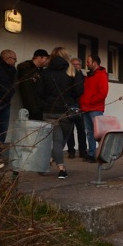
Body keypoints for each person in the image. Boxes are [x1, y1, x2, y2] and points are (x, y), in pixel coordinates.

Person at [37, 47, 83, 179]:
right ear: (66, 56)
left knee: (58, 140)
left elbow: (39, 92)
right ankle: (61, 168)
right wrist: (70, 98)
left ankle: (50, 160)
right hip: (66, 111)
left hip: (49, 111)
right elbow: (79, 91)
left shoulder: (45, 73)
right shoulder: (72, 71)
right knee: (61, 140)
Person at [79, 55, 109, 163]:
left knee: (99, 133)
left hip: (95, 108)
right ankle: (91, 154)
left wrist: (90, 101)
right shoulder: (89, 76)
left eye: (88, 62)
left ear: (95, 63)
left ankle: (103, 154)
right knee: (90, 132)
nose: (86, 64)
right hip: (86, 107)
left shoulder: (101, 75)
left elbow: (103, 93)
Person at [17, 49, 50, 120]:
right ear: (39, 57)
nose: (47, 61)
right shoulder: (26, 69)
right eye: (46, 58)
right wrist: (33, 108)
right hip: (33, 107)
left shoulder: (40, 70)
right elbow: (27, 90)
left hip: (41, 105)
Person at [66, 58, 87, 159]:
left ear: (80, 66)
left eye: (77, 64)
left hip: (81, 106)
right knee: (70, 130)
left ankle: (83, 151)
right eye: (73, 64)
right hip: (70, 105)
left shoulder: (84, 78)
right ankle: (71, 151)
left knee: (81, 130)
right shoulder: (67, 77)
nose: (75, 66)